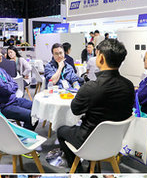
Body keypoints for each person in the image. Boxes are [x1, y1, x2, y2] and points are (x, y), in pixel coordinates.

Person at [56, 39, 134, 168]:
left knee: (61, 131)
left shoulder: (91, 87)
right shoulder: (129, 85)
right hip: (114, 142)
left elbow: (75, 110)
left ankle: (77, 169)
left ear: (101, 57)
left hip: (87, 141)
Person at [0, 42, 35, 131]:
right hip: (2, 106)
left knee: (36, 108)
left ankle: (22, 134)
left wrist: (9, 86)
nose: (1, 55)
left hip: (12, 100)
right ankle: (21, 138)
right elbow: (6, 90)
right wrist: (10, 86)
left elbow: (15, 84)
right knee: (31, 116)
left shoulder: (0, 69)